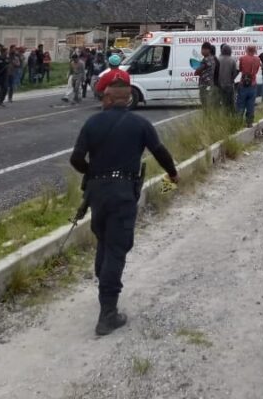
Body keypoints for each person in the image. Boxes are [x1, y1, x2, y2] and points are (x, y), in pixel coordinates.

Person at [69, 77, 179, 336]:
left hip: (97, 193)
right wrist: (172, 174)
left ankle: (104, 285)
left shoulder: (92, 122)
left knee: (104, 242)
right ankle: (107, 315)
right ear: (128, 99)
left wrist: (93, 173)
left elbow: (76, 159)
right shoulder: (140, 124)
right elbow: (160, 151)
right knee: (117, 248)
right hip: (123, 193)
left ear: (108, 98)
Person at [236, 45, 261, 126]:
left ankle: (238, 122)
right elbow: (256, 71)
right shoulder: (258, 59)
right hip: (253, 84)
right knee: (250, 105)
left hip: (243, 84)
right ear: (254, 51)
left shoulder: (242, 58)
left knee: (240, 104)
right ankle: (249, 122)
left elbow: (239, 69)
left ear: (247, 50)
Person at [216, 43, 237, 111]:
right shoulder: (232, 60)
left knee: (222, 101)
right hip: (229, 84)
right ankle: (230, 115)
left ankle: (223, 115)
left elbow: (215, 73)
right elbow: (234, 73)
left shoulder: (218, 59)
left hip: (219, 85)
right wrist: (231, 79)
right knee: (230, 102)